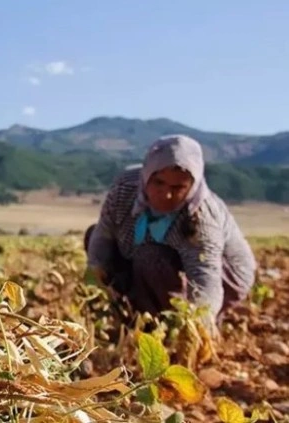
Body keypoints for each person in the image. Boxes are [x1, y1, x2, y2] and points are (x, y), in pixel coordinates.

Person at [85, 135, 256, 325]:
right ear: (147, 174)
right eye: (158, 182)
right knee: (94, 236)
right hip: (154, 258)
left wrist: (197, 325)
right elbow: (104, 234)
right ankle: (132, 311)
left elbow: (205, 279)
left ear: (192, 186)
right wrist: (95, 286)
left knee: (151, 257)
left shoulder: (201, 219)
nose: (166, 194)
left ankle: (164, 323)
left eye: (178, 187)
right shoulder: (126, 187)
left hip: (224, 275)